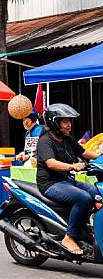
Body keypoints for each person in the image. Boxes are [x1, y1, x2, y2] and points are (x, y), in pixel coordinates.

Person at [37, 103, 102, 255]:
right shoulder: (45, 141)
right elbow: (51, 163)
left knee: (96, 191)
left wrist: (101, 158)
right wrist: (72, 166)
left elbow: (85, 153)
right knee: (83, 198)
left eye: (69, 121)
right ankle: (69, 237)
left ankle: (85, 227)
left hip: (67, 181)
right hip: (50, 183)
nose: (69, 124)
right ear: (54, 122)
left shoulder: (68, 139)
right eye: (65, 121)